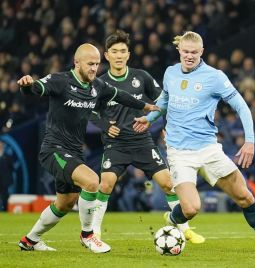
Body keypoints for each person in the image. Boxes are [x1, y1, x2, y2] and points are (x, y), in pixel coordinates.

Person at [133, 31, 255, 253]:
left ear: (201, 52)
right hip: (179, 152)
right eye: (185, 52)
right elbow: (163, 103)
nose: (189, 56)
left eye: (194, 52)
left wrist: (249, 141)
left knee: (245, 196)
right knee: (191, 208)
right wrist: (149, 118)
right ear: (179, 51)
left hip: (209, 149)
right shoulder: (170, 73)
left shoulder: (214, 77)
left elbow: (241, 106)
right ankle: (174, 219)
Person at [17, 43, 159, 253]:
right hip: (53, 149)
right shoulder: (61, 80)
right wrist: (26, 85)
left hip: (74, 152)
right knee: (93, 181)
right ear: (77, 63)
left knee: (65, 203)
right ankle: (88, 235)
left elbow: (119, 95)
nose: (94, 68)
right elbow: (35, 88)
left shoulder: (97, 86)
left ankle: (30, 240)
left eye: (96, 64)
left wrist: (146, 106)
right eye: (90, 64)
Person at [90, 30, 204, 243]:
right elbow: (90, 110)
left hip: (142, 142)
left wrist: (166, 124)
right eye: (114, 51)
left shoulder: (141, 77)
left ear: (128, 54)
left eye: (123, 51)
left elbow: (163, 101)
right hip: (116, 145)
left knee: (169, 184)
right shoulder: (100, 83)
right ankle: (94, 232)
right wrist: (105, 125)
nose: (119, 55)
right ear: (106, 55)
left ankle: (184, 229)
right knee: (105, 184)